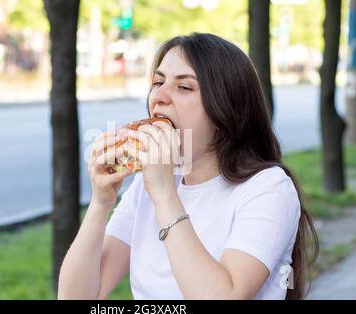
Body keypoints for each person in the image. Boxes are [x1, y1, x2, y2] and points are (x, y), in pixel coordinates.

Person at [58, 33, 318, 300]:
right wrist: (101, 202)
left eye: (184, 87)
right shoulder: (149, 185)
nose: (159, 96)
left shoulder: (268, 188)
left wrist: (164, 195)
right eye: (158, 82)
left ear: (226, 107)